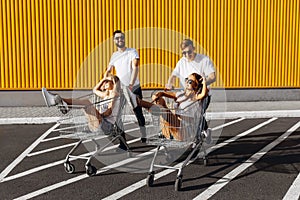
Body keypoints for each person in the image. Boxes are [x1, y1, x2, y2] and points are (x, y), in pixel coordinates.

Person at [41, 75, 129, 151]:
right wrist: (104, 79)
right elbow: (94, 90)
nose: (105, 83)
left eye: (107, 82)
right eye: (104, 82)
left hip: (106, 125)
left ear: (114, 83)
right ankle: (62, 103)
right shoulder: (106, 95)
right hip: (96, 124)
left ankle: (60, 102)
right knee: (86, 105)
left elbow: (109, 112)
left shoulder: (115, 94)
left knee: (87, 103)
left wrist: (97, 113)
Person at [138, 73, 211, 143]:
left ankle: (140, 103)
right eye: (186, 79)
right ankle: (147, 106)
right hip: (171, 127)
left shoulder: (195, 97)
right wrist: (157, 95)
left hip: (184, 131)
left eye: (190, 81)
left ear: (196, 85)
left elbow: (203, 94)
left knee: (164, 113)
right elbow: (163, 93)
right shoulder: (180, 95)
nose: (187, 82)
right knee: (160, 101)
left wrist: (204, 81)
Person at [166, 39, 216, 139]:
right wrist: (169, 84)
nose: (187, 55)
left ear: (194, 48)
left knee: (196, 114)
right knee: (178, 108)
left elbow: (212, 76)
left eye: (189, 52)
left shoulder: (203, 60)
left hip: (200, 94)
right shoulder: (182, 62)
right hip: (186, 95)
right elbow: (173, 75)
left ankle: (198, 134)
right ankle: (181, 131)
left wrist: (199, 84)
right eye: (184, 53)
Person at [104, 30, 147, 143]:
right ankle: (123, 143)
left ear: (124, 39)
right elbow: (108, 70)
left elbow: (135, 66)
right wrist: (105, 81)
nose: (120, 39)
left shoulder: (132, 51)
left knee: (137, 112)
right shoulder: (114, 55)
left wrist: (131, 84)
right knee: (117, 114)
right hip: (120, 89)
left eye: (121, 37)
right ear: (114, 40)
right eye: (117, 38)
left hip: (134, 87)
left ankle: (143, 134)